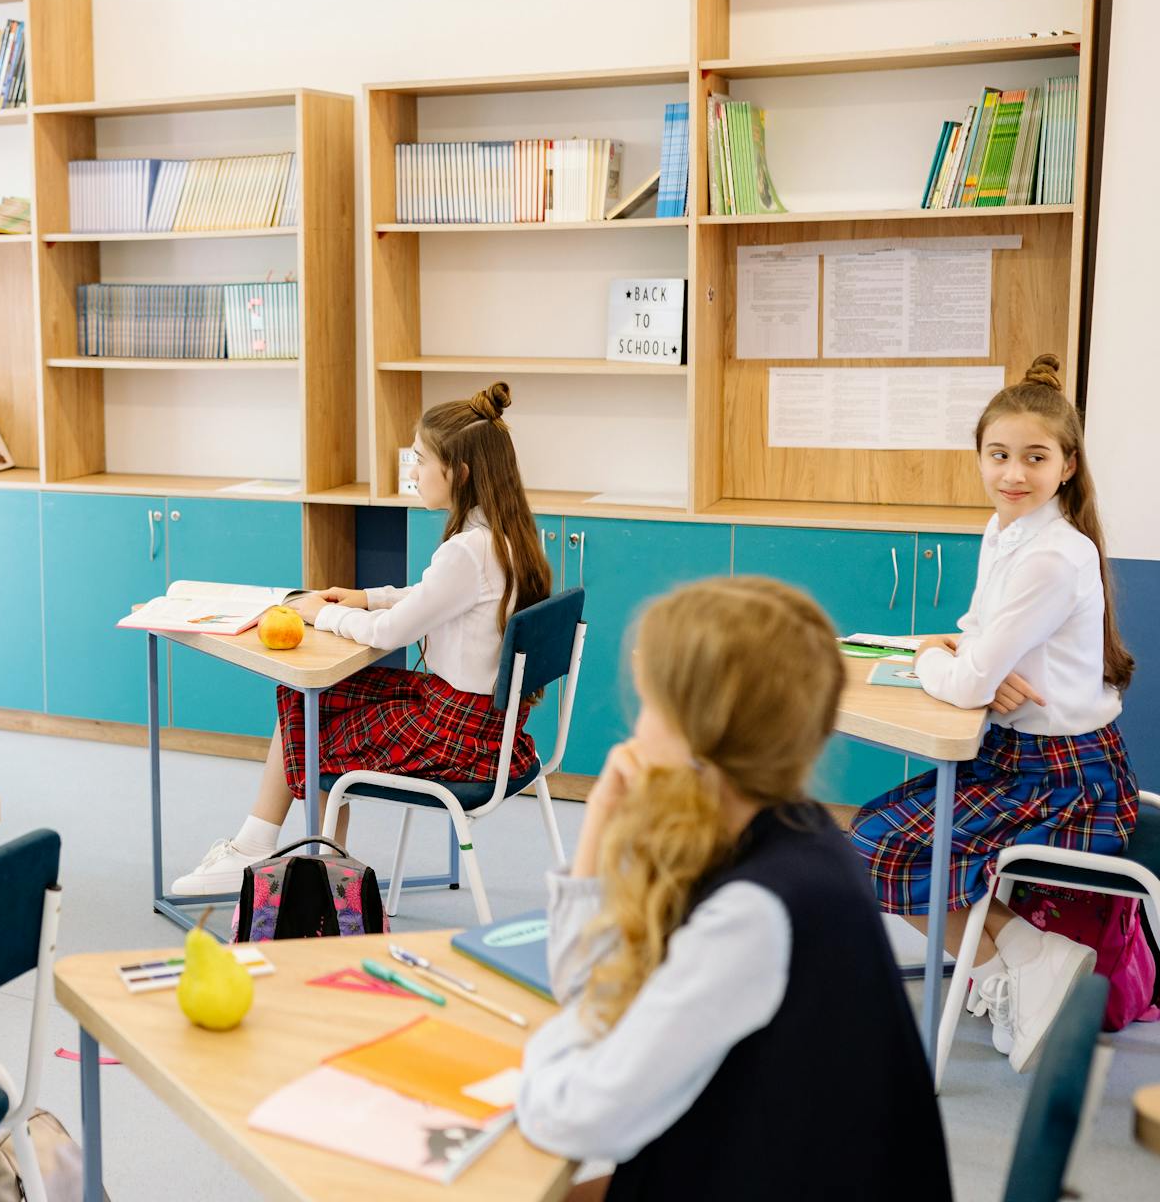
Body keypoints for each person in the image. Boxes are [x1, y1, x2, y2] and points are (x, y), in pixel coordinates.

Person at [514, 577, 951, 1201]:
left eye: (650, 706)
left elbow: (581, 1117)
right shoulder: (788, 827)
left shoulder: (756, 910)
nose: (635, 729)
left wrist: (533, 1056)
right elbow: (590, 989)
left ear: (702, 729)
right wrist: (600, 823)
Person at [849, 353, 1138, 1071]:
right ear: (979, 456)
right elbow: (979, 638)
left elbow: (971, 672)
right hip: (1014, 756)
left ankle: (1027, 963)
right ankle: (1018, 969)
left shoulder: (1053, 555)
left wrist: (934, 659)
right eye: (998, 455)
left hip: (1066, 778)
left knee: (876, 845)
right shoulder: (1004, 530)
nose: (1013, 473)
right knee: (873, 837)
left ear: (1066, 465)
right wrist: (974, 662)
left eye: (1034, 458)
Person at [171, 382, 553, 895]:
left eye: (420, 461)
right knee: (310, 698)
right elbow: (429, 597)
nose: (413, 473)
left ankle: (277, 854)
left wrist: (319, 613)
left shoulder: (466, 551)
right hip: (483, 722)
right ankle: (299, 855)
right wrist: (364, 596)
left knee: (310, 718)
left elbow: (391, 633)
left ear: (459, 473)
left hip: (453, 735)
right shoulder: (505, 537)